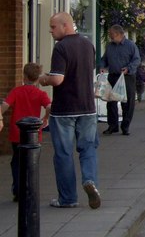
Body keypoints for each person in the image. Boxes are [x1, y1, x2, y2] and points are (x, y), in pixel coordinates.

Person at [39, 12, 101, 209]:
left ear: (65, 26)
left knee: (64, 154)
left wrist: (44, 79)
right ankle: (89, 180)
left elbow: (58, 79)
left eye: (53, 27)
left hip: (64, 109)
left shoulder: (61, 47)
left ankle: (68, 198)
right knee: (88, 148)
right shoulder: (88, 45)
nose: (50, 31)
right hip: (88, 108)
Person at [0, 63, 51, 202]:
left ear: (24, 76)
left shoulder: (16, 91)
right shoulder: (41, 93)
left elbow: (4, 106)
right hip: (34, 134)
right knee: (32, 163)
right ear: (37, 79)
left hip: (17, 133)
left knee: (16, 162)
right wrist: (45, 118)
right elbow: (49, 106)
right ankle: (30, 189)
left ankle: (18, 189)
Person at [99, 25, 141, 136]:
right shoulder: (110, 46)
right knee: (111, 102)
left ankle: (125, 126)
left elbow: (136, 60)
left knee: (127, 102)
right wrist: (102, 66)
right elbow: (104, 59)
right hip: (113, 76)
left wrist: (128, 68)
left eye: (111, 35)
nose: (110, 37)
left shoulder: (130, 45)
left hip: (126, 77)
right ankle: (112, 126)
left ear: (119, 34)